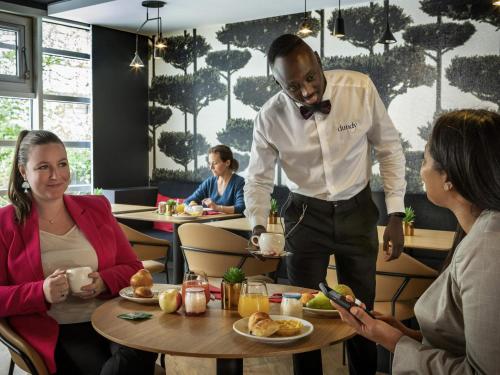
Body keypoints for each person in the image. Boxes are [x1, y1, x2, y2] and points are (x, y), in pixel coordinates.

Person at [244, 34, 406, 375]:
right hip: (305, 215)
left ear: (318, 60)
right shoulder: (269, 117)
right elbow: (258, 178)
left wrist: (396, 212)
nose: (306, 91)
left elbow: (389, 148)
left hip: (358, 209)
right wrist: (257, 226)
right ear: (276, 82)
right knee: (299, 313)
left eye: (310, 77)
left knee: (361, 311)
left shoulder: (359, 88)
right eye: (292, 86)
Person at [333, 109, 500, 374]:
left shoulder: (488, 250)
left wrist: (390, 339)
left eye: (424, 159)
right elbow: (462, 343)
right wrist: (408, 335)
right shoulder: (481, 234)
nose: (421, 171)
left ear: (448, 178)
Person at [0, 130, 157, 375]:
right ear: (23, 172)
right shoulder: (5, 223)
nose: (56, 175)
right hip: (58, 329)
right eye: (43, 167)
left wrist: (104, 281)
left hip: (111, 317)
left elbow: (134, 268)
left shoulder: (97, 207)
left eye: (62, 164)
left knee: (145, 344)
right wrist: (40, 291)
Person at [185, 145, 245, 214]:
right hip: (211, 223)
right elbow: (187, 201)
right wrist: (192, 206)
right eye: (210, 163)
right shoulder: (209, 182)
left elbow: (241, 207)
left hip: (231, 223)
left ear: (227, 163)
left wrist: (217, 207)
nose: (211, 167)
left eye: (215, 163)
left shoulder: (239, 182)